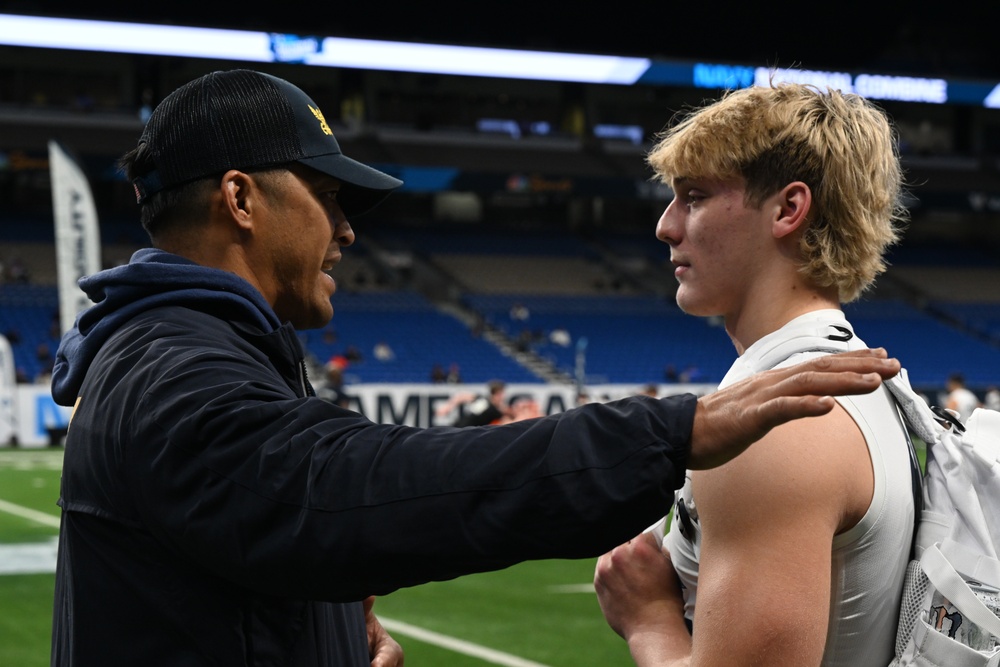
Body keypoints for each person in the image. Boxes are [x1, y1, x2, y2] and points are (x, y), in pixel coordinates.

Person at [49, 69, 902, 667]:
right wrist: (673, 430)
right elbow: (341, 487)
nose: (346, 232)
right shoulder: (168, 366)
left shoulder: (182, 353)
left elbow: (261, 530)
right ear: (239, 199)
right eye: (329, 198)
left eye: (693, 196)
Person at [594, 82, 916, 667]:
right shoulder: (837, 380)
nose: (666, 227)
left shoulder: (782, 423)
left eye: (693, 197)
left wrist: (646, 619)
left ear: (789, 210)